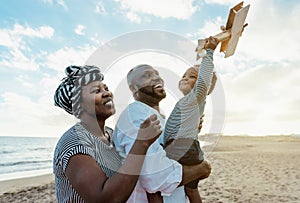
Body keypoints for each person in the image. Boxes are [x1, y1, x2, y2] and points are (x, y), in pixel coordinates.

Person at [53, 65, 163, 203]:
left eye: (106, 88)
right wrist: (142, 143)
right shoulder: (75, 142)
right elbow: (106, 199)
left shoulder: (111, 134)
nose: (107, 93)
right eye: (96, 91)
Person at [113, 56, 213, 202]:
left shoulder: (161, 118)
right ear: (133, 87)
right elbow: (156, 177)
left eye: (157, 74)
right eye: (147, 76)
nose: (156, 78)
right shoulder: (135, 114)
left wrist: (191, 131)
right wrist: (202, 168)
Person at [163, 36, 219, 203]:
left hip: (182, 147)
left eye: (192, 76)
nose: (185, 78)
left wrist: (209, 53)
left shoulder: (196, 97)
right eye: (184, 75)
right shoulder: (188, 103)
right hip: (187, 147)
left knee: (161, 179)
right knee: (191, 190)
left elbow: (204, 82)